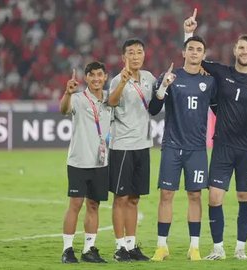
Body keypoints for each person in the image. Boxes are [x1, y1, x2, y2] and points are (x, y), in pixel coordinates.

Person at [184, 9, 247, 260]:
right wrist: (189, 33)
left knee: (244, 196)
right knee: (214, 198)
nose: (245, 52)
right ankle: (218, 248)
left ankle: (240, 248)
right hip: (222, 146)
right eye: (241, 48)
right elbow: (193, 58)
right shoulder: (221, 73)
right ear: (235, 51)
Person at [149, 36, 217, 261]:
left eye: (199, 49)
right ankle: (161, 247)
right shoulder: (170, 76)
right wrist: (163, 87)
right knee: (166, 194)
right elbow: (154, 108)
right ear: (184, 53)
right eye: (191, 49)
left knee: (195, 195)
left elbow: (220, 110)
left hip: (197, 148)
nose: (195, 52)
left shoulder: (210, 82)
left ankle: (194, 247)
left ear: (204, 55)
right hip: (172, 145)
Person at [107, 38, 159, 262]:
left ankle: (131, 246)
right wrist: (122, 83)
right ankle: (120, 247)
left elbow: (159, 100)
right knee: (121, 198)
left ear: (144, 55)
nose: (136, 56)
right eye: (131, 52)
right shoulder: (118, 79)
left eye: (139, 52)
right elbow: (111, 102)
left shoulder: (149, 78)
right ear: (123, 57)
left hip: (143, 146)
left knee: (135, 199)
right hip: (123, 147)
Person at [59, 62, 111, 264]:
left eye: (100, 74)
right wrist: (67, 93)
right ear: (86, 78)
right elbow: (63, 110)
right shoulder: (79, 99)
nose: (96, 78)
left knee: (94, 205)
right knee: (75, 204)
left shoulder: (110, 99)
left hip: (100, 161)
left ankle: (89, 249)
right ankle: (67, 249)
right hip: (79, 161)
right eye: (92, 75)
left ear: (105, 77)